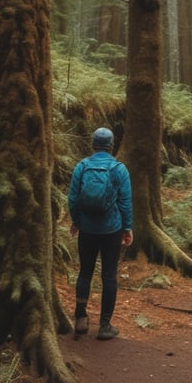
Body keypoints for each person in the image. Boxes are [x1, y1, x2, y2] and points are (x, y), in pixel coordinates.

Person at [68, 127, 133, 340]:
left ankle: (80, 318)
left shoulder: (82, 166)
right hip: (111, 230)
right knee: (109, 277)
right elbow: (125, 202)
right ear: (111, 145)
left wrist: (76, 221)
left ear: (92, 144)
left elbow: (73, 198)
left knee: (85, 273)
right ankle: (105, 326)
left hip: (87, 228)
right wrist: (127, 228)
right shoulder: (119, 169)